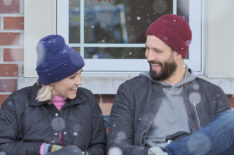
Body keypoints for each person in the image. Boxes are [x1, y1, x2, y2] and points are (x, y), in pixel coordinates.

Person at [107, 14, 234, 155]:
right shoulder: (131, 91)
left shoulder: (211, 94)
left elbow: (222, 142)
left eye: (157, 51)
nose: (149, 56)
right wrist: (149, 153)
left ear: (179, 53)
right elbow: (116, 147)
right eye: (147, 48)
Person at [0, 35, 106, 155]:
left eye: (80, 74)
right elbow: (3, 147)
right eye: (72, 77)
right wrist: (44, 149)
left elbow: (99, 144)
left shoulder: (86, 99)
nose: (79, 82)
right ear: (53, 80)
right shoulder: (18, 102)